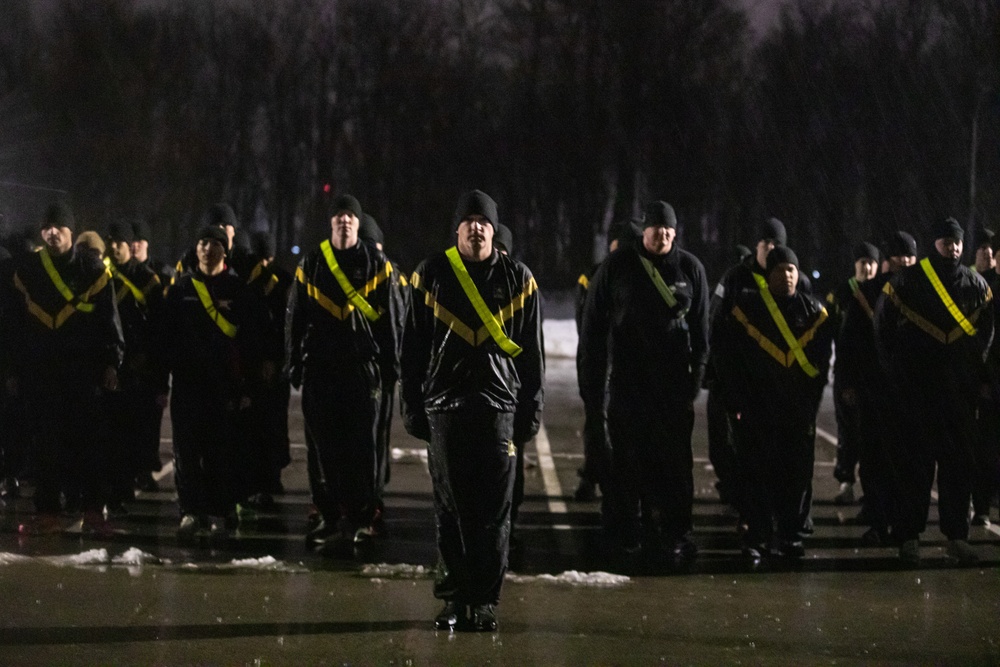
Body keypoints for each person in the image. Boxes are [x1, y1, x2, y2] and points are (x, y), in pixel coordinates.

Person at [401, 190, 543, 632]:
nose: (477, 228)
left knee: (493, 513)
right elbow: (412, 347)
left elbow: (532, 356)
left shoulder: (519, 279)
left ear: (494, 230)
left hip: (498, 411)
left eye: (485, 221)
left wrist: (529, 409)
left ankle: (484, 600)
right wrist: (412, 403)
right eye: (469, 221)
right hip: (445, 409)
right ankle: (453, 598)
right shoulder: (431, 274)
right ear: (457, 229)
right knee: (449, 510)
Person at [579, 201, 709, 571]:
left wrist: (695, 381)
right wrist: (593, 382)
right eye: (656, 229)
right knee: (626, 463)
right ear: (645, 231)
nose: (663, 235)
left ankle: (675, 535)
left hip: (672, 389)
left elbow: (702, 333)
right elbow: (594, 328)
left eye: (669, 230)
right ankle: (624, 533)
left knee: (674, 467)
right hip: (628, 384)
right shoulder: (617, 267)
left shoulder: (691, 269)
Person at [874, 217, 994, 565]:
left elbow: (986, 332)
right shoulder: (908, 281)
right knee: (915, 466)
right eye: (946, 241)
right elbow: (883, 329)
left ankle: (956, 536)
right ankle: (909, 535)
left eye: (957, 242)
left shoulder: (976, 284)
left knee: (958, 465)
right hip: (918, 391)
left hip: (958, 392)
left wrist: (973, 369)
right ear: (934, 244)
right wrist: (896, 370)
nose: (953, 248)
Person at [286, 195, 399, 552]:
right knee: (321, 448)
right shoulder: (312, 264)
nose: (345, 221)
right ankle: (327, 514)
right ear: (331, 223)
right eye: (339, 216)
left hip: (361, 372)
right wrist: (294, 361)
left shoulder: (377, 264)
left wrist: (391, 367)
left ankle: (363, 518)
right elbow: (296, 317)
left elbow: (391, 322)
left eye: (351, 216)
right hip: (321, 370)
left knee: (362, 449)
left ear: (357, 222)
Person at [6, 202, 124, 535]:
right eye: (47, 227)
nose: (52, 232)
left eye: (58, 226)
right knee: (45, 442)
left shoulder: (92, 269)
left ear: (71, 230)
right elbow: (14, 325)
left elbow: (108, 321)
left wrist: (112, 362)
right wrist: (13, 369)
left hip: (82, 372)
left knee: (88, 442)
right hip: (41, 372)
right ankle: (47, 509)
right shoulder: (26, 270)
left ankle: (93, 508)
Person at [711, 246, 833, 566]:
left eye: (792, 270)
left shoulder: (814, 313)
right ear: (769, 275)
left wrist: (810, 404)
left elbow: (820, 366)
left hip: (795, 411)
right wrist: (735, 399)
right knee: (756, 475)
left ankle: (790, 535)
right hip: (757, 409)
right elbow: (729, 358)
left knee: (795, 476)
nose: (788, 276)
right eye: (781, 270)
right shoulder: (747, 310)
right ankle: (758, 537)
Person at [162, 224, 264, 540]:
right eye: (203, 242)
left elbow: (251, 341)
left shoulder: (239, 291)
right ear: (196, 249)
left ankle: (222, 509)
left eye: (215, 243)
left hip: (224, 388)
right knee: (187, 454)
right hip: (188, 386)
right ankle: (191, 513)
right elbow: (165, 338)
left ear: (225, 250)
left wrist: (247, 386)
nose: (208, 248)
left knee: (223, 452)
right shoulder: (180, 290)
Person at [707, 217, 795, 516]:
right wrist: (717, 372)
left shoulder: (791, 280)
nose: (771, 249)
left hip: (771, 383)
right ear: (757, 246)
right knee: (723, 441)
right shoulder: (735, 278)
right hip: (732, 375)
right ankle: (733, 488)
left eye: (777, 244)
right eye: (766, 243)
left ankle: (756, 506)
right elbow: (715, 324)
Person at [835, 232, 917, 544]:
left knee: (903, 460)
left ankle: (900, 523)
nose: (906, 262)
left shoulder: (919, 291)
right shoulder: (866, 292)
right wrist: (849, 383)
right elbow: (849, 343)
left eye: (909, 256)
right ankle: (879, 519)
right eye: (900, 256)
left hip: (905, 390)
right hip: (873, 388)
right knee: (873, 457)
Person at [572, 219, 640, 502]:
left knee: (598, 421)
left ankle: (595, 476)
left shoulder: (595, 274)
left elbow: (583, 321)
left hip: (601, 358)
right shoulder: (620, 274)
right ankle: (607, 479)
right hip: (616, 360)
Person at [102, 221, 167, 512]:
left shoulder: (148, 280)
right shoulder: (101, 275)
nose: (114, 246)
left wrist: (155, 370)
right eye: (111, 241)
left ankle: (129, 481)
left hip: (140, 369)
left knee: (134, 432)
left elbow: (159, 329)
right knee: (111, 433)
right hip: (112, 366)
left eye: (120, 242)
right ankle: (115, 491)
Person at [358, 212, 406, 528]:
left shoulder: (389, 276)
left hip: (377, 370)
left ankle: (372, 495)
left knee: (373, 437)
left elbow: (399, 325)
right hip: (368, 369)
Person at [240, 231, 293, 511]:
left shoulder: (268, 282)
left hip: (263, 366)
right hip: (266, 367)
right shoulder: (281, 280)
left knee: (262, 425)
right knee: (270, 424)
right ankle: (269, 476)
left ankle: (265, 477)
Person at [825, 242, 881, 506]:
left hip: (875, 374)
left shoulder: (884, 291)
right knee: (848, 431)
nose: (867, 267)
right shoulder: (842, 293)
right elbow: (830, 332)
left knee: (873, 435)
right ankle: (846, 482)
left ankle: (873, 489)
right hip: (848, 372)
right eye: (862, 262)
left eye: (871, 262)